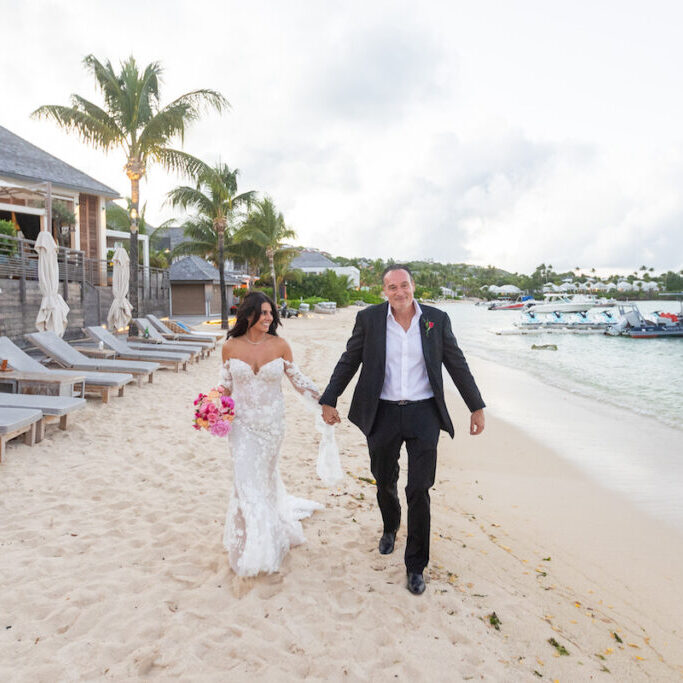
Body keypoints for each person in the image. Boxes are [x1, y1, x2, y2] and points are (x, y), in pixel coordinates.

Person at [319, 265, 485, 595]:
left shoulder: (435, 320)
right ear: (384, 291)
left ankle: (415, 565)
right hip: (381, 412)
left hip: (424, 413)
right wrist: (329, 397)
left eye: (404, 285)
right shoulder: (369, 320)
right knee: (384, 479)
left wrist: (475, 406)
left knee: (420, 489)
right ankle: (391, 526)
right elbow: (349, 360)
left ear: (413, 286)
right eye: (392, 287)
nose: (399, 292)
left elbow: (456, 362)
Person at [218, 291, 322, 577]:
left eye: (270, 313)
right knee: (245, 483)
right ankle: (251, 547)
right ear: (248, 314)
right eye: (262, 312)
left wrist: (324, 400)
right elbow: (225, 385)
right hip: (241, 425)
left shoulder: (280, 345)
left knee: (263, 481)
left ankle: (266, 537)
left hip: (272, 426)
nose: (268, 317)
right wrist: (211, 404)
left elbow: (298, 381)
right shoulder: (229, 346)